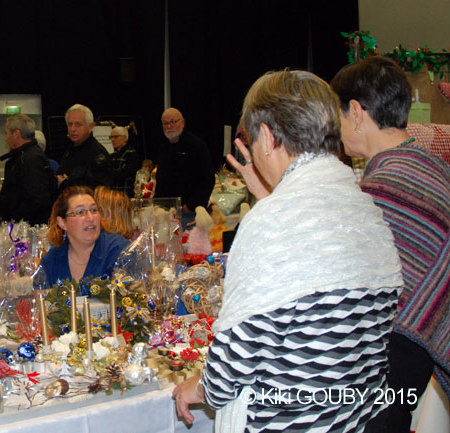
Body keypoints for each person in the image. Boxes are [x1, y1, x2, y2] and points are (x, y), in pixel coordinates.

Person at [173, 70, 404, 432]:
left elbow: (240, 351)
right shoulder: (366, 210)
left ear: (266, 135)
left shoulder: (274, 221)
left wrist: (201, 387)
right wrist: (272, 200)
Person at [331, 56, 450, 432]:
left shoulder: (382, 186)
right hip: (422, 334)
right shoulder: (432, 165)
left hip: (398, 343)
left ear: (354, 111)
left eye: (338, 115)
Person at [38, 186, 129, 286]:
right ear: (62, 222)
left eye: (94, 210)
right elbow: (40, 297)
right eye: (80, 212)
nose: (90, 218)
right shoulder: (51, 261)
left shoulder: (121, 251)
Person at [156, 108, 213, 227]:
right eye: (166, 123)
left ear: (182, 123)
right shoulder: (163, 146)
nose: (169, 126)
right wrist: (157, 204)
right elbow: (161, 178)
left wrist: (192, 205)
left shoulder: (196, 145)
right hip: (166, 212)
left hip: (188, 213)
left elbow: (208, 179)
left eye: (173, 122)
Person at [0, 114, 54, 226]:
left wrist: (17, 221)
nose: (6, 138)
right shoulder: (29, 156)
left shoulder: (29, 159)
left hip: (27, 227)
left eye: (7, 133)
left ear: (16, 133)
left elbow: (36, 199)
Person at [56, 104, 112, 191]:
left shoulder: (97, 153)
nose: (72, 129)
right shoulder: (70, 149)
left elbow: (100, 190)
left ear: (90, 127)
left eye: (78, 124)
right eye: (70, 124)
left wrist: (65, 184)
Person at [109, 126, 141, 197]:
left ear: (125, 138)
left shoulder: (132, 154)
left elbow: (126, 174)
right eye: (111, 137)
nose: (112, 140)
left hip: (126, 195)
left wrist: (112, 173)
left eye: (116, 137)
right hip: (113, 194)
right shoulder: (112, 155)